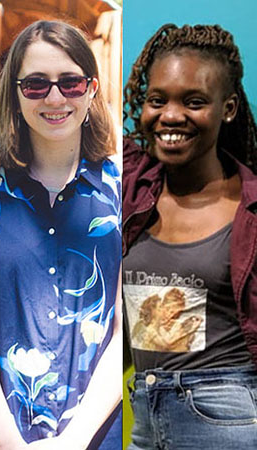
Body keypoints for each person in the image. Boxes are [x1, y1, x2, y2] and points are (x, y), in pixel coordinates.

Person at [0, 20, 122, 449]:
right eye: (36, 85)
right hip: (2, 433)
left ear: (92, 88)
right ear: (15, 92)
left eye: (70, 83)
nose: (55, 97)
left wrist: (73, 441)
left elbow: (129, 331)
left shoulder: (128, 192)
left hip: (100, 434)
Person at [122, 23, 257, 449]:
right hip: (146, 411)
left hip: (227, 416)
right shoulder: (129, 184)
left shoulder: (250, 209)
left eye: (194, 102)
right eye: (157, 100)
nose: (171, 116)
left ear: (228, 108)